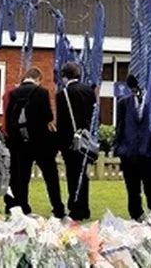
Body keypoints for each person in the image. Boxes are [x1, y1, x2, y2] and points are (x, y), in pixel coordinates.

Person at [5, 66, 65, 218]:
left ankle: (22, 206)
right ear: (38, 79)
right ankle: (58, 207)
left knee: (21, 178)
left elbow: (9, 117)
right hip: (41, 143)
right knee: (50, 176)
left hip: (20, 143)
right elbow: (48, 116)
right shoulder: (42, 92)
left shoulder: (15, 93)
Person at [114, 74, 151, 220]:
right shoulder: (123, 104)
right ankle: (136, 220)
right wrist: (119, 148)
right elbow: (120, 127)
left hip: (149, 155)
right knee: (132, 192)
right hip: (129, 155)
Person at [56, 62, 96, 221]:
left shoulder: (62, 94)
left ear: (64, 76)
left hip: (70, 140)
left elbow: (62, 122)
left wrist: (60, 143)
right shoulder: (89, 91)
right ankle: (84, 207)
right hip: (86, 138)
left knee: (72, 174)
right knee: (83, 174)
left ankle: (75, 207)